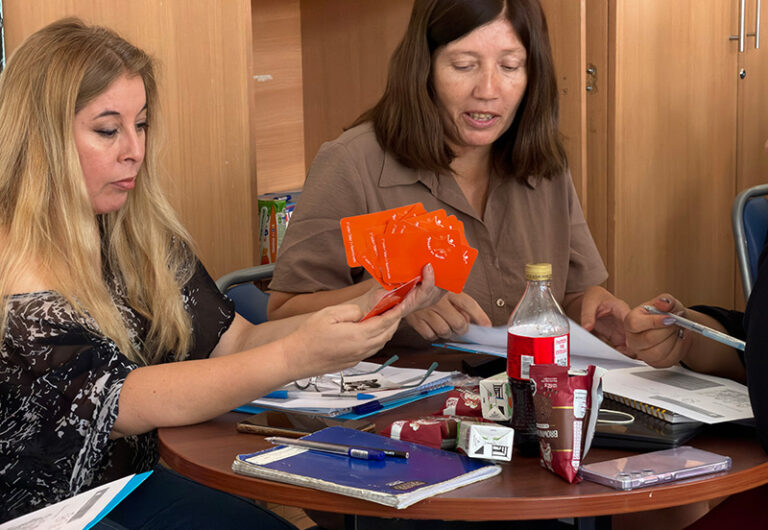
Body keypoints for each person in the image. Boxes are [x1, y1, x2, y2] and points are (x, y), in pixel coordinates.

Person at [0, 18, 442, 527]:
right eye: (107, 130)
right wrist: (297, 356)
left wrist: (368, 304)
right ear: (41, 138)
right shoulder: (17, 271)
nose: (135, 150)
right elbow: (125, 403)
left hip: (122, 490)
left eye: (140, 125)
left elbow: (232, 343)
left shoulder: (133, 233)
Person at [267, 0, 628, 350]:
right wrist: (394, 300)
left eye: (510, 66)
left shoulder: (545, 161)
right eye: (463, 65)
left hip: (525, 395)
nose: (488, 90)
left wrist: (594, 308)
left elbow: (570, 295)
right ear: (425, 68)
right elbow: (282, 317)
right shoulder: (352, 162)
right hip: (403, 401)